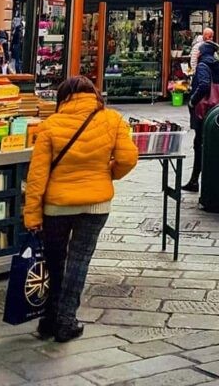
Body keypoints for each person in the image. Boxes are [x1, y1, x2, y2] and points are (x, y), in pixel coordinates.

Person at [24, 75, 138, 342]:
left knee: (54, 261)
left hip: (56, 206)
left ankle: (50, 318)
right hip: (95, 205)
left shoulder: (50, 125)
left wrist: (31, 215)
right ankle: (66, 319)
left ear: (63, 98)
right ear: (94, 94)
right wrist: (109, 174)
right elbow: (128, 157)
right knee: (79, 261)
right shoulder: (112, 120)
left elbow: (37, 176)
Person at [182, 30, 219, 192]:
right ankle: (198, 180)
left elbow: (204, 85)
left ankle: (197, 181)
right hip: (214, 108)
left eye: (200, 50)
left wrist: (192, 100)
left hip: (203, 109)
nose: (197, 52)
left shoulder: (203, 65)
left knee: (199, 144)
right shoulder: (216, 65)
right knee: (206, 143)